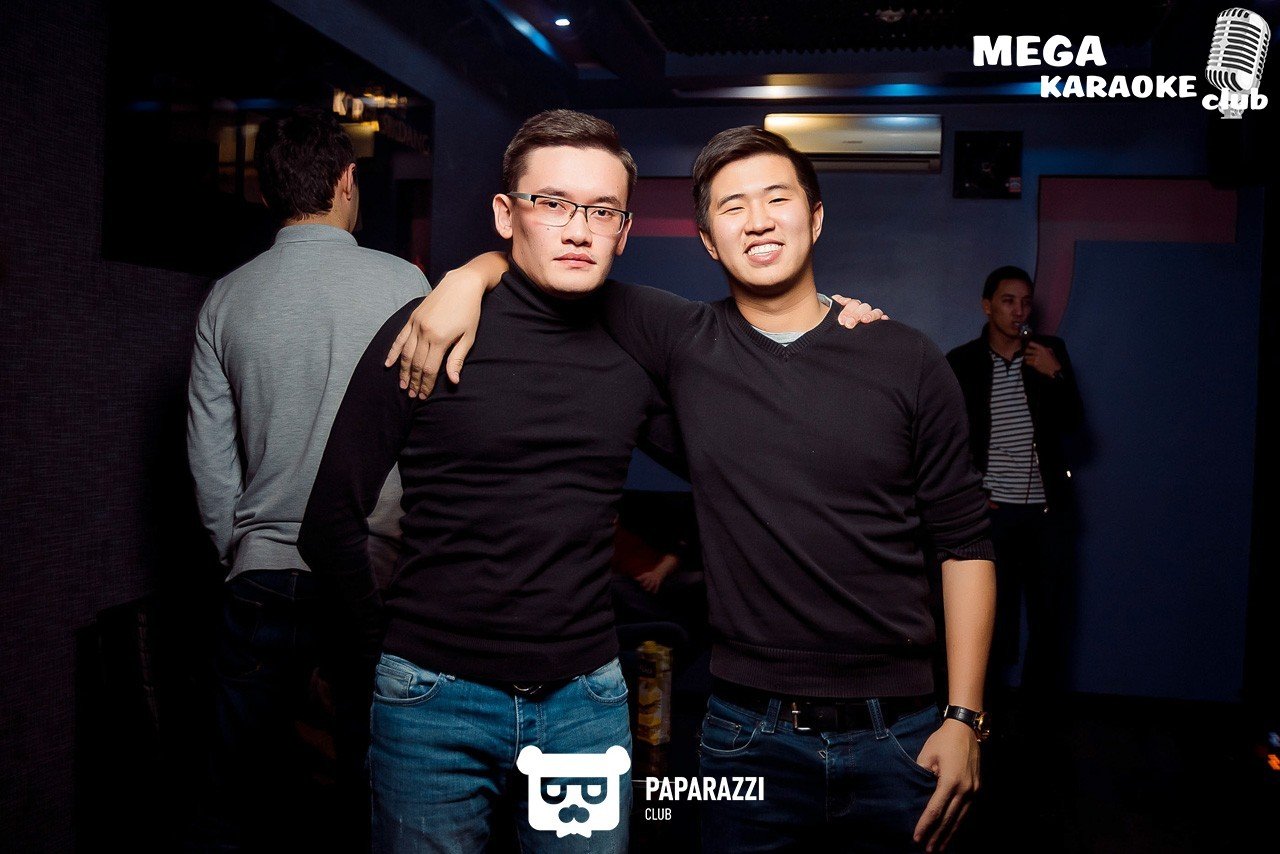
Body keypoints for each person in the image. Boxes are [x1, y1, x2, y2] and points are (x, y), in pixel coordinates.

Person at [389, 125, 997, 853]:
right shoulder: (679, 338)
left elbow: (965, 542)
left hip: (902, 730)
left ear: (816, 218)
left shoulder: (907, 358)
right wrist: (469, 275)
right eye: (732, 207)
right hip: (745, 732)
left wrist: (965, 718)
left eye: (777, 199)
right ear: (708, 240)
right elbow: (552, 260)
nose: (758, 220)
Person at [297, 111, 878, 853]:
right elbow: (328, 521)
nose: (578, 230)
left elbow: (745, 443)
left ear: (624, 230)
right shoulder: (429, 330)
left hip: (585, 706)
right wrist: (385, 660)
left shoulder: (639, 334)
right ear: (506, 214)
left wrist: (841, 328)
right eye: (552, 203)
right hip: (431, 702)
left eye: (602, 211)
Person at [185, 107, 429, 850]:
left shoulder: (227, 296)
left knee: (231, 799)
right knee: (370, 792)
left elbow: (210, 461)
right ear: (348, 180)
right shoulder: (403, 282)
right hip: (370, 573)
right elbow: (427, 438)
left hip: (261, 573)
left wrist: (242, 550)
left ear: (265, 193)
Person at [945, 267, 1084, 721]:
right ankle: (985, 716)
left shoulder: (1049, 353)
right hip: (992, 515)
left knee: (1048, 618)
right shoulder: (963, 362)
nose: (1019, 311)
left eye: (1025, 302)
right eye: (1008, 301)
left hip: (1046, 513)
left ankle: (1038, 720)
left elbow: (1075, 425)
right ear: (987, 306)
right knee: (992, 619)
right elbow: (946, 438)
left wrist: (1056, 375)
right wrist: (972, 493)